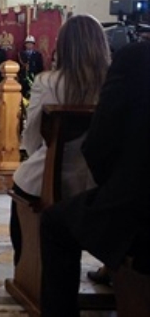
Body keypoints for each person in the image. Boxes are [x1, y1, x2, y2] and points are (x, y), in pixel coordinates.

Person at [39, 39, 150, 316]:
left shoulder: (136, 58)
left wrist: (113, 186)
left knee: (54, 223)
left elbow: (100, 145)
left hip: (140, 209)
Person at [8, 15, 111, 267]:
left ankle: (28, 268)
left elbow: (32, 138)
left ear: (63, 46)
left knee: (22, 180)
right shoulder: (111, 85)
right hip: (97, 185)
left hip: (47, 181)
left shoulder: (47, 82)